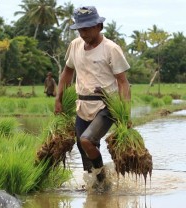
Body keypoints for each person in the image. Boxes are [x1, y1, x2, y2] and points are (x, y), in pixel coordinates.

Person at [54, 6, 131, 186]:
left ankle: (102, 179)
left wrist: (125, 114)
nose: (83, 33)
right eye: (80, 29)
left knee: (87, 140)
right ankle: (95, 186)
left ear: (99, 26)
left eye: (87, 28)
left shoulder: (111, 48)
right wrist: (58, 98)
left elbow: (122, 82)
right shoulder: (75, 46)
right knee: (83, 148)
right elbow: (67, 72)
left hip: (106, 105)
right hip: (82, 105)